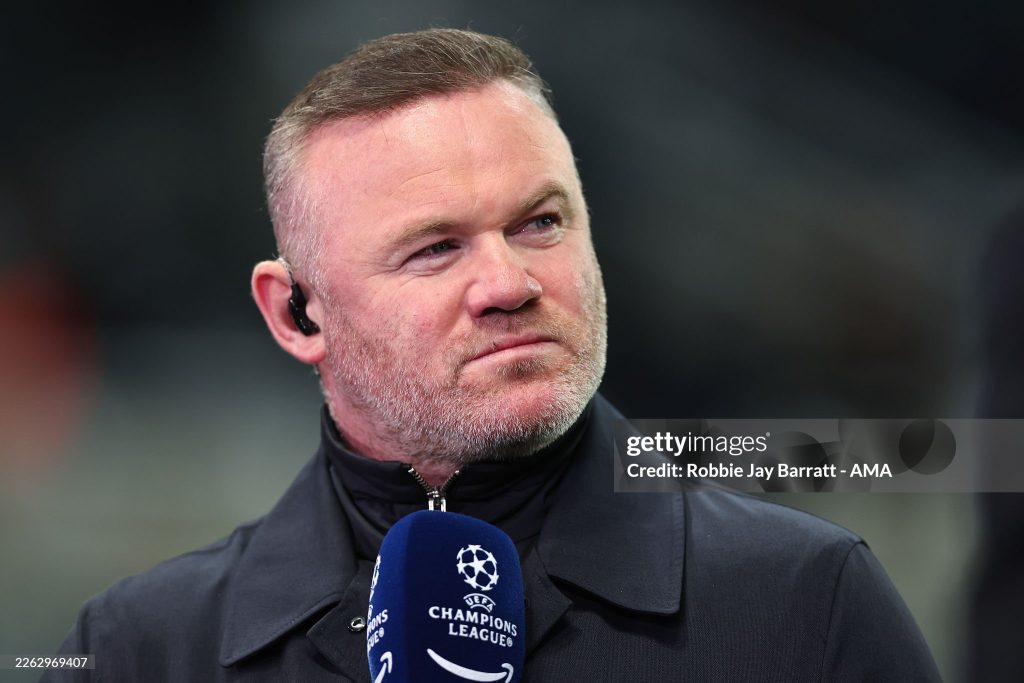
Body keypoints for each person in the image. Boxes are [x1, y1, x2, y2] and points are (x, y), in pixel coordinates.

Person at [47, 28, 940, 681]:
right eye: (435, 248)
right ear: (296, 312)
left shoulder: (802, 602)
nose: (509, 282)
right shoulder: (139, 649)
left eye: (540, 223)